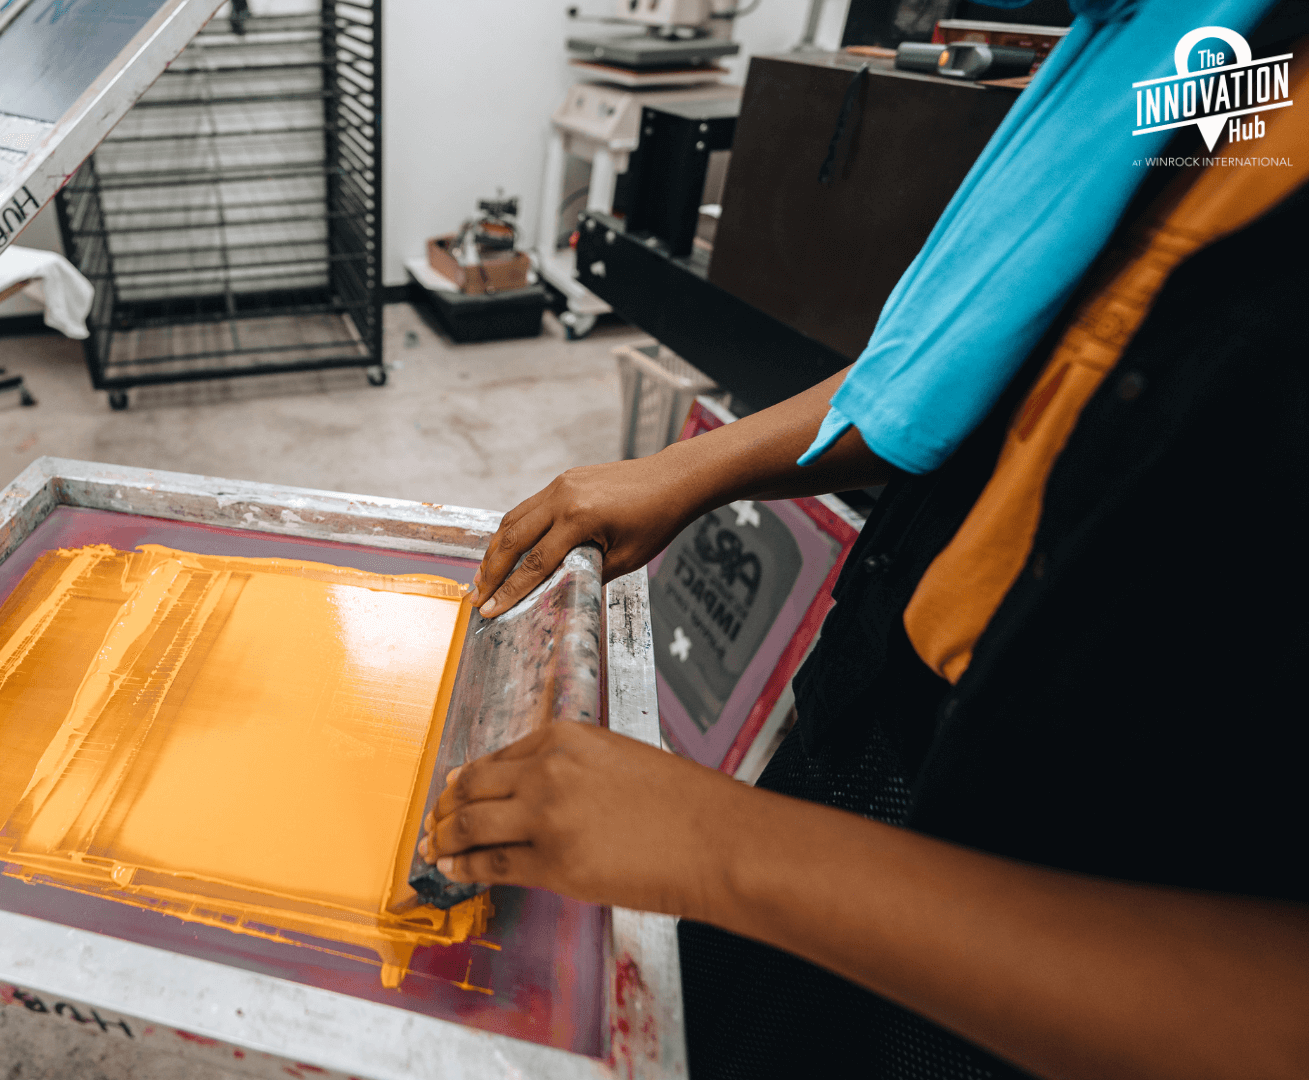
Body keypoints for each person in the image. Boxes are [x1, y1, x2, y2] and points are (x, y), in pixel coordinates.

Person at [417, 5, 1309, 1079]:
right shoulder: (1219, 59)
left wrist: (720, 849)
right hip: (892, 735)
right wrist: (692, 469)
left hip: (1065, 930)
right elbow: (997, 341)